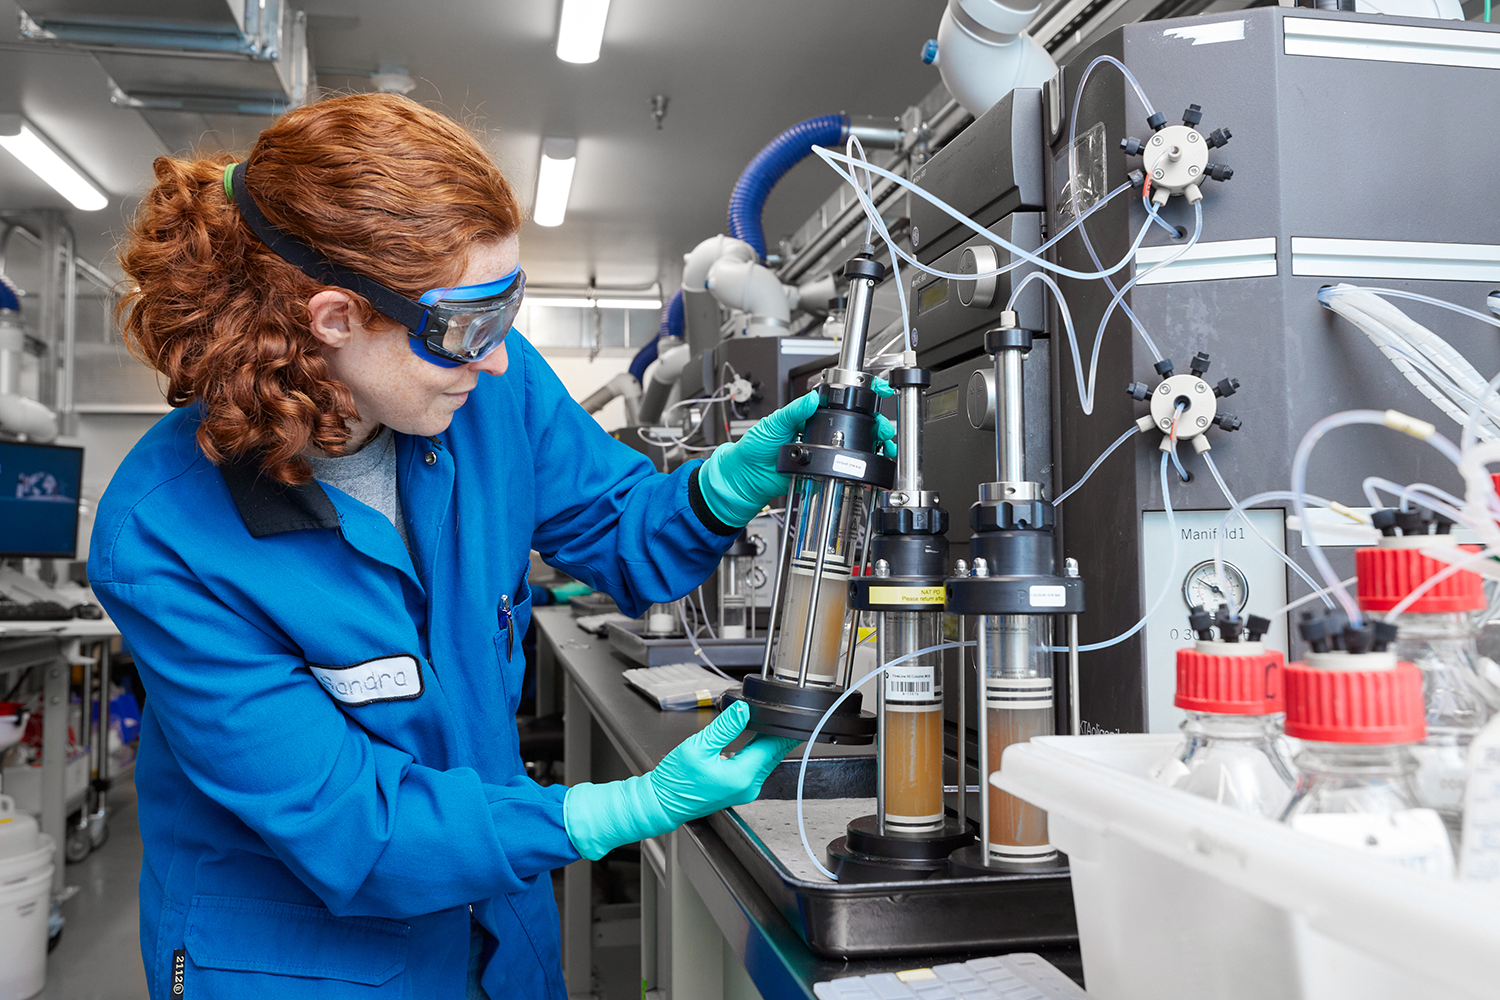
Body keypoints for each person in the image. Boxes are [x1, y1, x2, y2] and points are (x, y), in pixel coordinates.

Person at [91, 93, 890, 999]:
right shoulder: (165, 536)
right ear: (334, 320)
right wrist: (616, 809)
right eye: (470, 322)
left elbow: (626, 534)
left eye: (508, 305)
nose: (501, 356)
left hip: (497, 934)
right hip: (302, 958)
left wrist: (722, 485)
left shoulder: (485, 391)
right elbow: (350, 824)